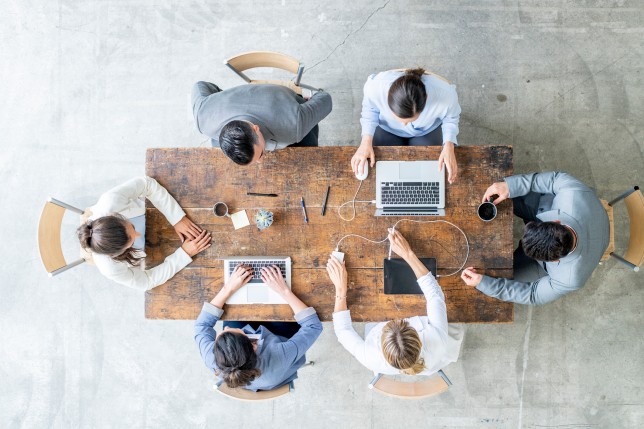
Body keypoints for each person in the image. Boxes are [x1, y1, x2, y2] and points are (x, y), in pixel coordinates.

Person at [461, 171, 610, 305]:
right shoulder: (573, 193)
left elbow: (533, 295)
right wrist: (510, 186)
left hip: (592, 237)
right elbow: (553, 179)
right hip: (577, 213)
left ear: (554, 261)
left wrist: (483, 283)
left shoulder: (570, 279)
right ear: (555, 221)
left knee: (500, 274)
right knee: (498, 192)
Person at [326, 229, 462, 375]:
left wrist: (340, 289)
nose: (397, 319)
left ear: (382, 347)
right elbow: (435, 296)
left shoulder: (370, 357)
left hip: (430, 363)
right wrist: (408, 254)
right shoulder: (437, 341)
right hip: (434, 360)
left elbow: (342, 331)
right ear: (419, 340)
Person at [194, 265, 323, 391]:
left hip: (256, 361)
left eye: (223, 333)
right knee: (285, 311)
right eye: (231, 331)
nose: (226, 327)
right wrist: (284, 290)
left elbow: (202, 325)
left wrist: (228, 289)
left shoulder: (211, 357)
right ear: (254, 344)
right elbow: (313, 326)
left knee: (232, 310)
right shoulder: (279, 356)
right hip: (279, 340)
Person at [77, 176, 211, 290]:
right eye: (131, 242)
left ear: (115, 216)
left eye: (132, 227)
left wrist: (176, 218)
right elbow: (147, 281)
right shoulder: (110, 269)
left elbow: (146, 184)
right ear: (117, 253)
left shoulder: (110, 200)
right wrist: (183, 255)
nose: (138, 235)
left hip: (148, 212)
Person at [351, 68, 462, 184]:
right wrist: (365, 142)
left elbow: (451, 118)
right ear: (388, 94)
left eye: (411, 119)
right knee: (382, 171)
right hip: (388, 129)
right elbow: (370, 109)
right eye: (399, 118)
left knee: (430, 171)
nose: (404, 125)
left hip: (426, 131)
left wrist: (449, 145)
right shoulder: (375, 87)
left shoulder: (446, 94)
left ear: (426, 98)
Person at [191, 81, 333, 166]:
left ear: (255, 128)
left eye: (260, 156)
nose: (260, 162)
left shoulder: (294, 124)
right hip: (236, 102)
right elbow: (200, 85)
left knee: (309, 156)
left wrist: (312, 100)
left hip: (284, 107)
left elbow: (325, 99)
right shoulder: (203, 117)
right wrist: (223, 95)